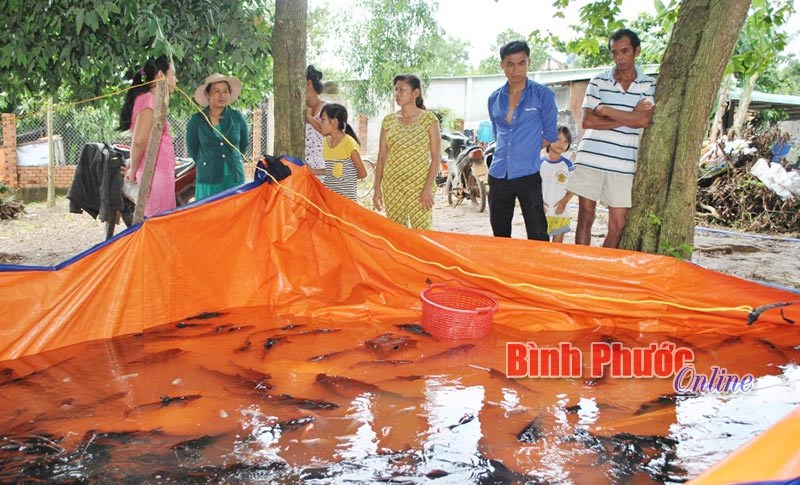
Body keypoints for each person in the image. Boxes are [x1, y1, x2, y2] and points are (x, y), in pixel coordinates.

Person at [567, 28, 655, 248]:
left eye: (624, 51)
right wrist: (629, 116)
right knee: (585, 217)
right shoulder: (598, 81)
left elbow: (644, 121)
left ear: (637, 51)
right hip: (590, 160)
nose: (619, 57)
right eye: (614, 52)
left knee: (617, 226)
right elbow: (588, 121)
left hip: (624, 165)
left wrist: (606, 109)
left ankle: (601, 269)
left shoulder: (648, 85)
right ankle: (583, 267)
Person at [373, 74, 441, 229]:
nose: (397, 94)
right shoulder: (389, 121)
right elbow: (382, 156)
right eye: (396, 90)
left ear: (415, 93)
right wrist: (377, 188)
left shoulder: (429, 120)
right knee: (397, 234)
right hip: (392, 186)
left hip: (419, 186)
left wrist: (427, 189)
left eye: (402, 90)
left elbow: (436, 158)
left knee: (423, 233)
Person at [119, 55, 178, 217]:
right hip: (154, 174)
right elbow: (139, 141)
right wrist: (133, 172)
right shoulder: (148, 101)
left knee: (162, 220)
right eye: (172, 75)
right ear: (160, 76)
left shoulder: (154, 101)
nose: (175, 80)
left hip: (159, 172)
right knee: (157, 222)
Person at [186, 73, 249, 200]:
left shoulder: (237, 118)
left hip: (234, 177)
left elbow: (243, 145)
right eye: (217, 91)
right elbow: (193, 149)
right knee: (208, 216)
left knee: (234, 217)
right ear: (207, 95)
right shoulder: (197, 120)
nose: (222, 95)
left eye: (225, 91)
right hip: (208, 179)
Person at [320, 103, 367, 201]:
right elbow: (331, 170)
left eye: (323, 120)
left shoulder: (348, 143)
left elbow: (362, 173)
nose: (321, 123)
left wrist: (345, 179)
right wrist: (311, 170)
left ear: (334, 122)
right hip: (329, 201)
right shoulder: (326, 142)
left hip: (346, 204)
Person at [540, 126, 575, 243]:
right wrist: (538, 202)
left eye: (565, 141)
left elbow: (573, 187)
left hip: (560, 213)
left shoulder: (568, 165)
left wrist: (564, 202)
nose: (561, 144)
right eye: (558, 139)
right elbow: (532, 187)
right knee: (540, 246)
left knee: (557, 247)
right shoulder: (539, 163)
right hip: (541, 213)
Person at [305, 65, 327, 180]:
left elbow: (326, 131)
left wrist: (309, 117)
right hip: (303, 170)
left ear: (308, 83)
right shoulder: (299, 112)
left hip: (321, 171)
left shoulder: (327, 109)